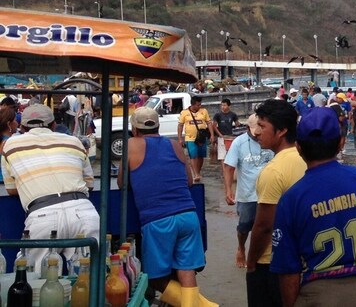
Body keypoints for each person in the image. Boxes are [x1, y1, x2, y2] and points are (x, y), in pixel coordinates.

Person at [270, 108, 356, 307]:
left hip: (316, 293)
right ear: (341, 142)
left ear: (298, 147)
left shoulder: (290, 200)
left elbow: (288, 270)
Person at [120, 108, 216, 306]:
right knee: (186, 269)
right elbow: (189, 181)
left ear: (134, 129)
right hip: (188, 216)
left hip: (158, 220)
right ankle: (198, 304)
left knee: (155, 278)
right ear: (158, 126)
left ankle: (205, 306)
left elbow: (122, 183)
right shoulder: (174, 145)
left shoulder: (131, 144)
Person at [1, 104, 100, 273]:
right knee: (91, 277)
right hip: (83, 212)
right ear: (54, 125)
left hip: (42, 215)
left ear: (23, 127)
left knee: (34, 279)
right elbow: (89, 184)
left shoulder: (10, 146)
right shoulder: (74, 142)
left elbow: (10, 189)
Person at [246, 99, 307, 307]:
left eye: (262, 127)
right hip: (304, 258)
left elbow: (264, 226)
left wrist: (251, 262)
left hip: (271, 262)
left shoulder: (273, 171)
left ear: (281, 131)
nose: (256, 132)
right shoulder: (308, 159)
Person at [223, 114, 274, 268]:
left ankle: (264, 255)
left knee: (269, 226)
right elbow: (229, 167)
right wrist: (228, 190)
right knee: (244, 226)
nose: (258, 135)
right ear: (247, 129)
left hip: (270, 192)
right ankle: (241, 247)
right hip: (247, 194)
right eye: (255, 131)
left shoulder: (271, 140)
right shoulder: (239, 143)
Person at [178, 95, 214, 183]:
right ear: (193, 105)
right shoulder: (184, 113)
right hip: (190, 138)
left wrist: (212, 135)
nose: (199, 106)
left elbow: (209, 123)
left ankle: (197, 171)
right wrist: (180, 138)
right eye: (198, 105)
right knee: (193, 155)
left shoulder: (204, 111)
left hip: (201, 138)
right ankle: (195, 174)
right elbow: (180, 125)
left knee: (201, 156)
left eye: (200, 104)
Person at [213, 98, 239, 162]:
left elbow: (237, 124)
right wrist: (219, 134)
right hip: (221, 137)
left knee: (231, 154)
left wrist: (235, 132)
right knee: (222, 156)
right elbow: (214, 125)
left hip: (230, 137)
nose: (223, 107)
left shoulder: (233, 115)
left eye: (224, 105)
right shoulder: (218, 115)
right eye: (222, 105)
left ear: (229, 106)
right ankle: (224, 171)